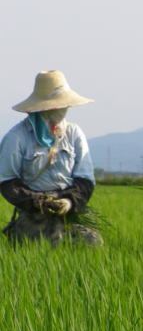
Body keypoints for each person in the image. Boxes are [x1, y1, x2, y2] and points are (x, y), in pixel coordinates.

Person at [0, 70, 102, 245]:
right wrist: (38, 202)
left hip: (69, 211)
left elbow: (85, 180)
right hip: (33, 213)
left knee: (92, 242)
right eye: (57, 105)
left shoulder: (73, 134)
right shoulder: (17, 137)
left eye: (64, 105)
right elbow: (7, 182)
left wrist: (68, 202)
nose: (63, 109)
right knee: (46, 243)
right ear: (43, 107)